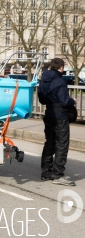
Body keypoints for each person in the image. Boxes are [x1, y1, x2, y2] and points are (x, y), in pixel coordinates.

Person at [38, 58, 76, 186]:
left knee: (49, 143)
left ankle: (46, 172)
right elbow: (65, 101)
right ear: (61, 68)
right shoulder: (60, 81)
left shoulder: (43, 80)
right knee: (61, 145)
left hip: (49, 114)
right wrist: (73, 101)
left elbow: (42, 100)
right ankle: (57, 175)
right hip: (60, 116)